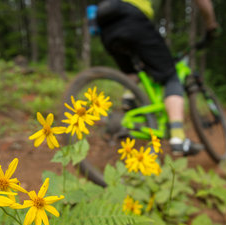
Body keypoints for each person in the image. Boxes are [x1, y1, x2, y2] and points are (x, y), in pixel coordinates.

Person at [93, 0, 218, 156]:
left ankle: (128, 99)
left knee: (133, 70)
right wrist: (211, 24)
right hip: (132, 19)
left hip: (105, 25)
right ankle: (178, 139)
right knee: (171, 76)